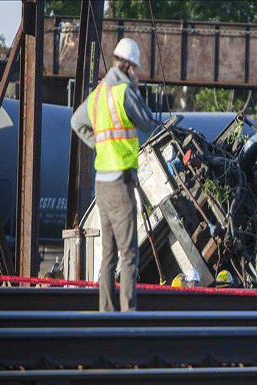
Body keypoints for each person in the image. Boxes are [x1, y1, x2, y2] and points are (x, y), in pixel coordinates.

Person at [70, 38, 158, 311]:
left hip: (101, 183)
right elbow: (146, 121)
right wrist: (135, 89)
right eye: (136, 70)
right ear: (129, 67)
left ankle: (106, 315)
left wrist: (100, 144)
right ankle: (128, 318)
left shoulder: (98, 94)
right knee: (129, 253)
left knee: (108, 254)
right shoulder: (123, 91)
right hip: (120, 181)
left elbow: (76, 122)